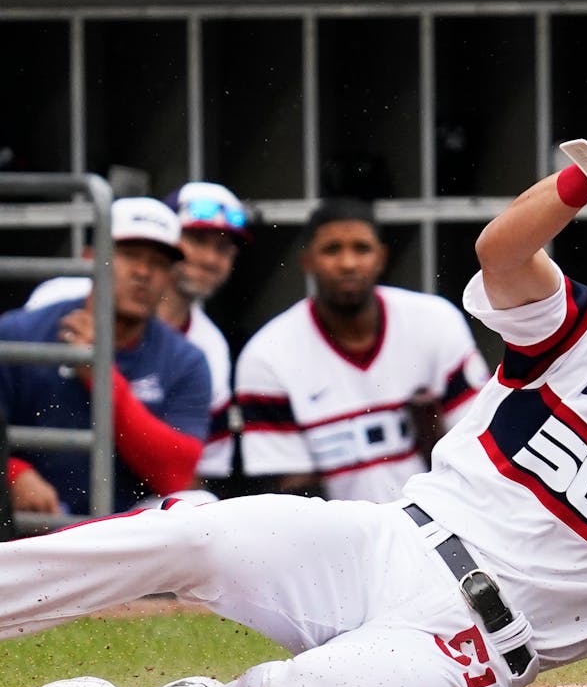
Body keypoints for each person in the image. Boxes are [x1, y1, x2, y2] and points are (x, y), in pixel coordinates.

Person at [0, 91, 587, 687]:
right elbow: (502, 251)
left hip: (472, 644)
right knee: (189, 534)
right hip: (383, 538)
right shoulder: (581, 341)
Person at [233, 198, 491, 502]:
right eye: (332, 250)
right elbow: (294, 493)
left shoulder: (434, 320)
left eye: (361, 248)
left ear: (381, 257)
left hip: (439, 518)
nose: (348, 263)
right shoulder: (267, 354)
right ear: (307, 261)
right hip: (337, 538)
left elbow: (480, 443)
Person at [28, 182, 253, 491]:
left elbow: (194, 476)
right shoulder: (56, 298)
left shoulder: (207, 346)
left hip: (135, 498)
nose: (211, 259)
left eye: (224, 249)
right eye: (198, 240)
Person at [0, 197, 211, 518]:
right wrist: (12, 474)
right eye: (129, 255)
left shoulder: (186, 359)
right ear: (90, 259)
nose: (143, 272)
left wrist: (99, 374)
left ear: (170, 276)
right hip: (26, 524)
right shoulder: (17, 332)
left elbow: (176, 476)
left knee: (199, 505)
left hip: (125, 532)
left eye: (158, 262)